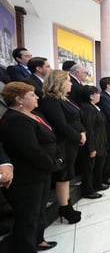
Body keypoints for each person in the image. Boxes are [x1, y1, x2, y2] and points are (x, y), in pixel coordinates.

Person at [0, 82, 62, 252]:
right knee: (27, 216)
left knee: (38, 211)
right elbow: (31, 151)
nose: (36, 97)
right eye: (32, 95)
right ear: (19, 99)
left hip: (40, 173)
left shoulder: (31, 114)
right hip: (27, 177)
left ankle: (38, 240)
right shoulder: (15, 119)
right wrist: (54, 164)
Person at [40, 70, 84, 224]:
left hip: (70, 143)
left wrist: (82, 131)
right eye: (68, 80)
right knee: (63, 176)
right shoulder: (50, 100)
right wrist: (79, 136)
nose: (71, 83)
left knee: (67, 175)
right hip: (62, 144)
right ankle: (65, 208)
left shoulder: (63, 99)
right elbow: (60, 125)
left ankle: (67, 205)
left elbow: (75, 118)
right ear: (58, 82)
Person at [78, 86, 110, 199]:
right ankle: (88, 190)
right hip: (93, 143)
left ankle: (98, 184)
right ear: (91, 96)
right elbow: (89, 129)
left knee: (98, 166)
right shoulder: (87, 108)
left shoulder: (95, 107)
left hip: (100, 141)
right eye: (97, 93)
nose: (99, 95)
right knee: (89, 168)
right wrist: (91, 148)